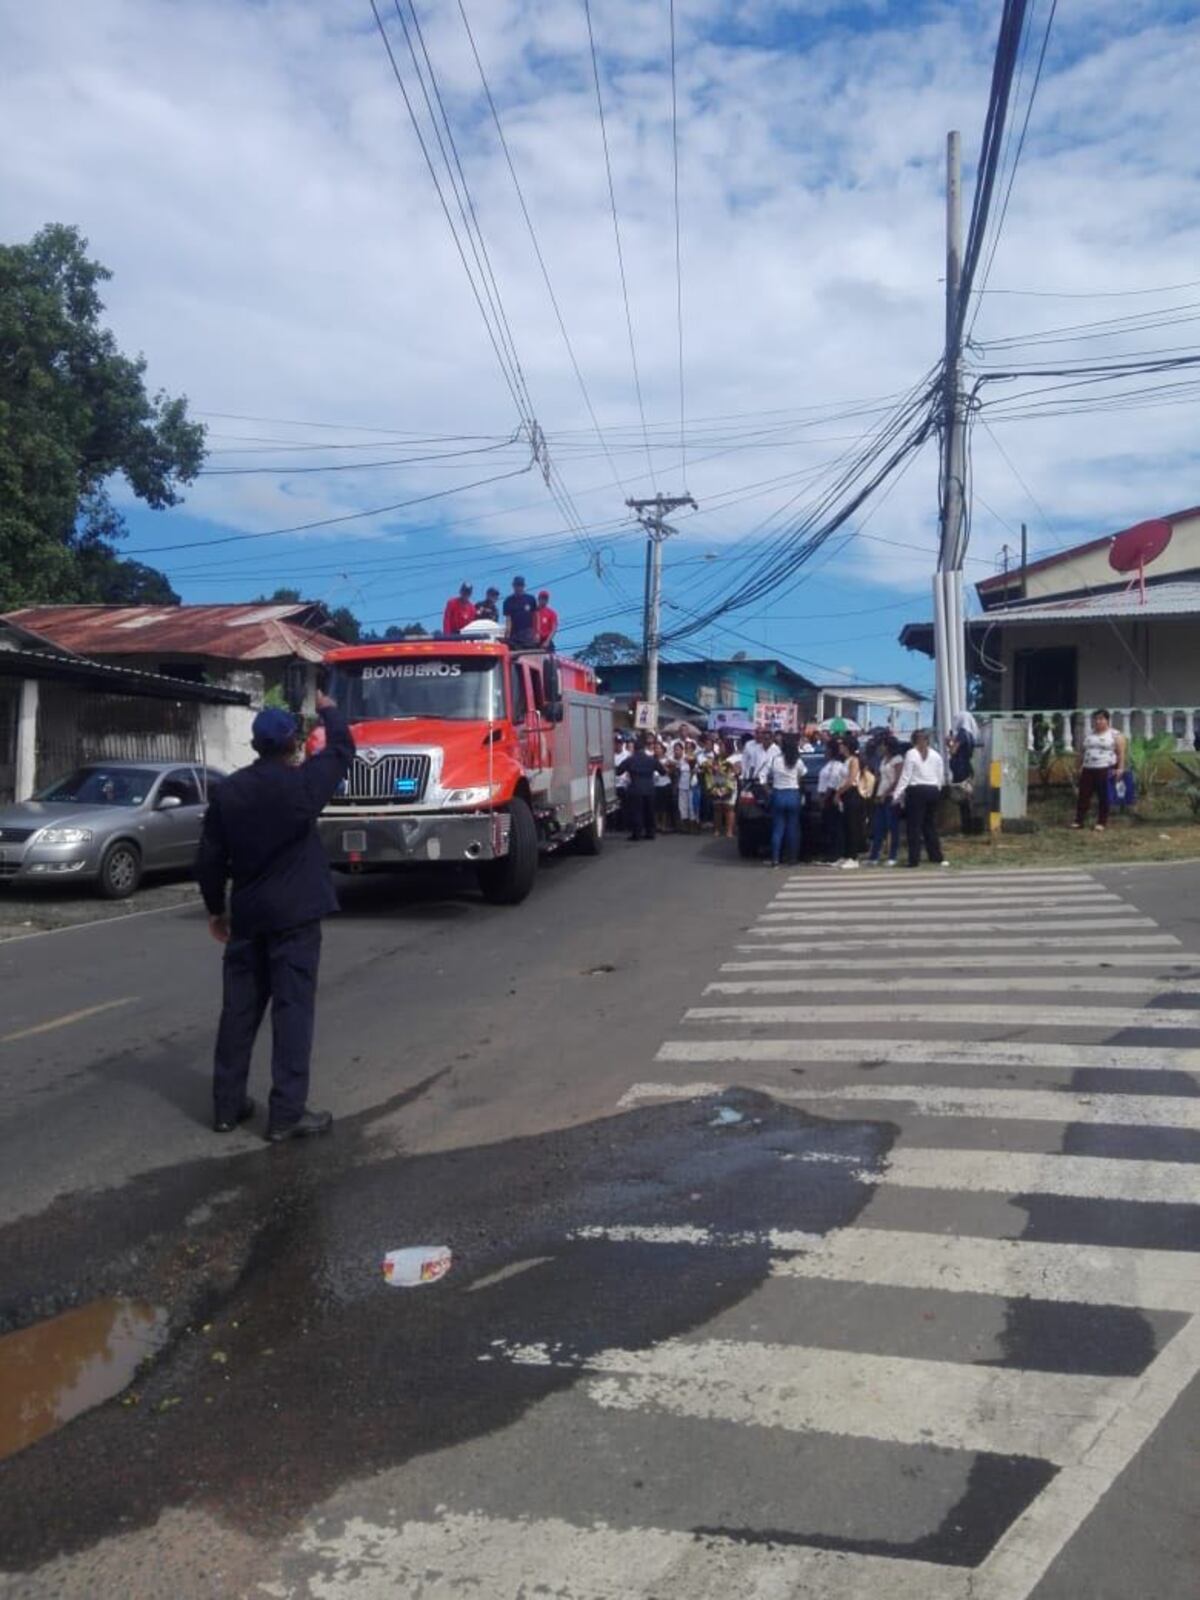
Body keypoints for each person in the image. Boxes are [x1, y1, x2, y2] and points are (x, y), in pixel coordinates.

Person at [196, 695, 355, 1141]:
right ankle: (286, 1114)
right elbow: (343, 750)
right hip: (296, 918)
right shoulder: (303, 786)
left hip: (248, 916)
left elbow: (208, 860)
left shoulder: (228, 792)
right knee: (293, 1011)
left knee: (239, 1012)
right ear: (294, 744)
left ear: (255, 745)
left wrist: (215, 909)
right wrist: (329, 708)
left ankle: (227, 1108)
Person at [894, 727, 947, 868]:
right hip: (933, 790)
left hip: (916, 791)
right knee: (929, 825)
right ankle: (936, 856)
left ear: (913, 741)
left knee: (914, 827)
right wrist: (937, 790)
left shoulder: (911, 754)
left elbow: (906, 776)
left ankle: (914, 859)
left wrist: (897, 794)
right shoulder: (936, 755)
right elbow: (940, 777)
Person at [1073, 708, 1126, 832]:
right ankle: (1079, 820)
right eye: (1096, 719)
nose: (1098, 722)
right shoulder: (1089, 735)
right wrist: (1077, 767)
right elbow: (1081, 752)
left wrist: (1120, 768)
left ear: (1107, 720)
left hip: (1105, 768)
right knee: (1084, 795)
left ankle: (1101, 822)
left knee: (1104, 795)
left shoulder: (1115, 735)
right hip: (1088, 768)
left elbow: (1121, 754)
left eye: (1101, 719)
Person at [765, 732, 803, 867]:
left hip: (778, 794)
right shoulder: (797, 760)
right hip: (793, 794)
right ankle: (792, 859)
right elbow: (802, 774)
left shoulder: (775, 760)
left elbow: (762, 776)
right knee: (792, 828)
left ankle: (775, 859)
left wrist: (767, 790)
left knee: (778, 829)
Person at [867, 734, 904, 866]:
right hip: (880, 793)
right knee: (878, 827)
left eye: (883, 745)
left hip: (891, 796)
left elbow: (897, 779)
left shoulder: (897, 759)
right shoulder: (883, 760)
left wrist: (886, 793)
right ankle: (874, 856)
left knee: (892, 827)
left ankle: (892, 856)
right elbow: (880, 777)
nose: (881, 747)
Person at [624, 733, 664, 841]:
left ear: (635, 749)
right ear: (644, 748)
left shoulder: (630, 760)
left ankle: (636, 834)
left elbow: (618, 771)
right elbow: (663, 771)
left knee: (636, 812)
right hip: (649, 788)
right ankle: (650, 833)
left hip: (635, 788)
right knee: (649, 811)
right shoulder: (651, 759)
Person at [836, 734, 866, 869]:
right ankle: (846, 855)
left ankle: (853, 857)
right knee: (846, 826)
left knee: (853, 826)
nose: (840, 747)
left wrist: (839, 792)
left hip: (852, 793)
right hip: (845, 794)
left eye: (842, 744)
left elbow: (851, 779)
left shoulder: (854, 760)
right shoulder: (846, 760)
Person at [817, 738, 848, 864]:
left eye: (826, 749)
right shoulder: (828, 764)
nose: (825, 752)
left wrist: (824, 798)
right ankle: (830, 852)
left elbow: (832, 783)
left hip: (831, 797)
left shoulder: (836, 765)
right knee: (829, 827)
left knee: (834, 827)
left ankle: (835, 853)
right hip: (825, 796)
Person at [503, 575, 540, 647]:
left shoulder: (531, 599)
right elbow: (508, 619)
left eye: (521, 585)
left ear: (524, 586)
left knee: (528, 655)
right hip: (514, 634)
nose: (519, 588)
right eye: (517, 585)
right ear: (513, 586)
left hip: (528, 633)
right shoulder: (508, 601)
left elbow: (536, 617)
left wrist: (537, 633)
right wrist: (507, 634)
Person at [709, 744, 737, 839]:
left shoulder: (734, 758)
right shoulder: (716, 758)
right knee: (717, 807)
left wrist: (724, 771)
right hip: (717, 783)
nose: (721, 749)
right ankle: (717, 829)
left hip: (729, 784)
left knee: (729, 808)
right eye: (720, 747)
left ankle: (729, 830)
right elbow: (711, 771)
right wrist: (714, 769)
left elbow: (736, 771)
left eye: (723, 747)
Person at [674, 741, 694, 831]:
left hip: (692, 786)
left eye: (690, 748)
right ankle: (684, 826)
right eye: (686, 748)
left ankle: (693, 825)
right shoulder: (680, 760)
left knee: (691, 806)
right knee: (682, 806)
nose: (688, 749)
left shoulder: (694, 758)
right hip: (682, 785)